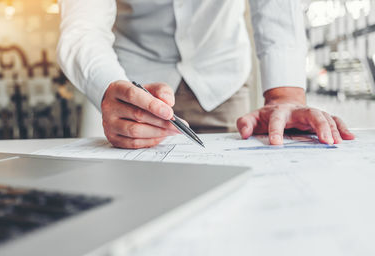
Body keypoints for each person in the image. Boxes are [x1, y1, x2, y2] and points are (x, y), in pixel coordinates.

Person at [57, 0, 355, 149]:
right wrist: (107, 86)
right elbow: (83, 27)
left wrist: (284, 95)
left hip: (222, 75)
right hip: (128, 81)